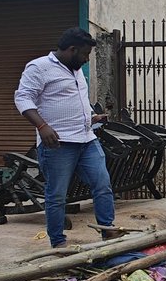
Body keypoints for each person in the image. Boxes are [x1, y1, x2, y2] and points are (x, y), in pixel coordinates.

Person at [14, 27, 116, 247]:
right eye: (85, 54)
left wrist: (92, 116)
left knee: (103, 184)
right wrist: (42, 126)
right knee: (57, 195)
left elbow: (74, 101)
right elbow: (23, 99)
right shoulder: (39, 67)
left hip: (87, 139)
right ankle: (58, 242)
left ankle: (108, 231)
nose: (87, 59)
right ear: (72, 50)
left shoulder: (75, 68)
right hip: (58, 144)